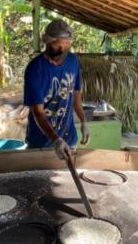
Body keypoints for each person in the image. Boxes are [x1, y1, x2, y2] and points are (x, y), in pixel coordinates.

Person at [23, 19, 89, 158]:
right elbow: (38, 113)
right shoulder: (35, 69)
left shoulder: (73, 61)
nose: (62, 50)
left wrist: (83, 120)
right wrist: (56, 140)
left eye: (66, 46)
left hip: (69, 138)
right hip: (41, 143)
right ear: (47, 42)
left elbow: (76, 93)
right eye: (57, 45)